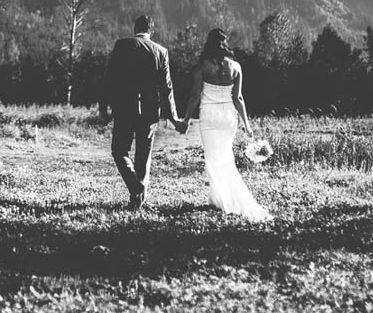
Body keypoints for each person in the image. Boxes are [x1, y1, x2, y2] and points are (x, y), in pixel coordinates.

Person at [183, 28, 270, 221]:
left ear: (209, 44)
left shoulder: (201, 67)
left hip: (209, 117)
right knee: (225, 157)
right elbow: (238, 97)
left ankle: (223, 200)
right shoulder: (236, 67)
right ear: (225, 44)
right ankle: (217, 199)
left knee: (213, 159)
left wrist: (186, 119)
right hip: (229, 118)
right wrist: (246, 125)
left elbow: (195, 96)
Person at [100, 15, 183, 209]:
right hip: (149, 110)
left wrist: (103, 107)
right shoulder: (161, 52)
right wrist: (173, 117)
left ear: (135, 28)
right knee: (144, 155)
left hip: (124, 107)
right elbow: (167, 87)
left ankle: (134, 187)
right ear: (151, 31)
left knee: (119, 151)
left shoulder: (122, 45)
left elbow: (109, 78)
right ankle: (138, 197)